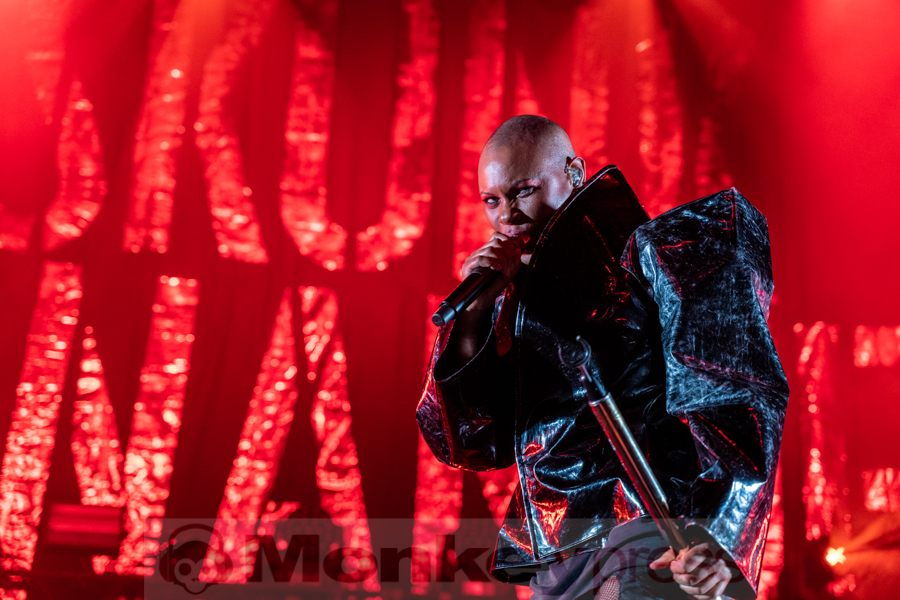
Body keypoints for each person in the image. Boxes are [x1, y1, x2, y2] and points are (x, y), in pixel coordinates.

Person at [416, 115, 788, 600]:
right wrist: (473, 320)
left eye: (524, 191)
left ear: (574, 173)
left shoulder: (656, 255)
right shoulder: (514, 302)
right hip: (561, 551)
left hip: (647, 528)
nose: (508, 216)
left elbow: (735, 391)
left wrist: (720, 532)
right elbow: (469, 441)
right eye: (492, 200)